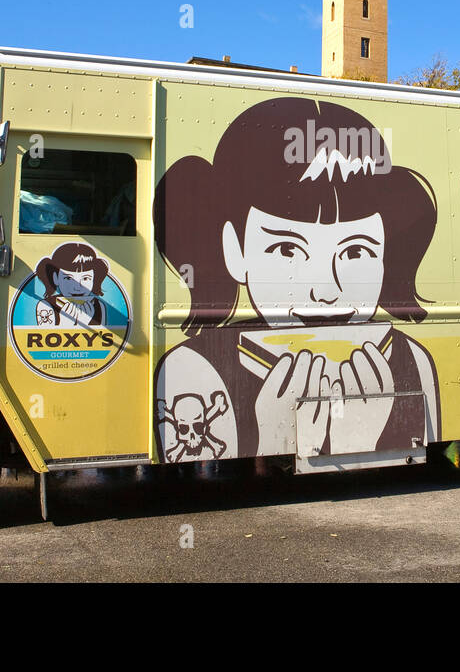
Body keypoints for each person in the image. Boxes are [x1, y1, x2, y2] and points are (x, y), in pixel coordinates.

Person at [152, 96, 441, 462]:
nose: (326, 292)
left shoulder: (412, 359)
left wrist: (363, 436)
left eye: (355, 252)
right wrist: (268, 431)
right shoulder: (195, 368)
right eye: (287, 249)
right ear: (234, 250)